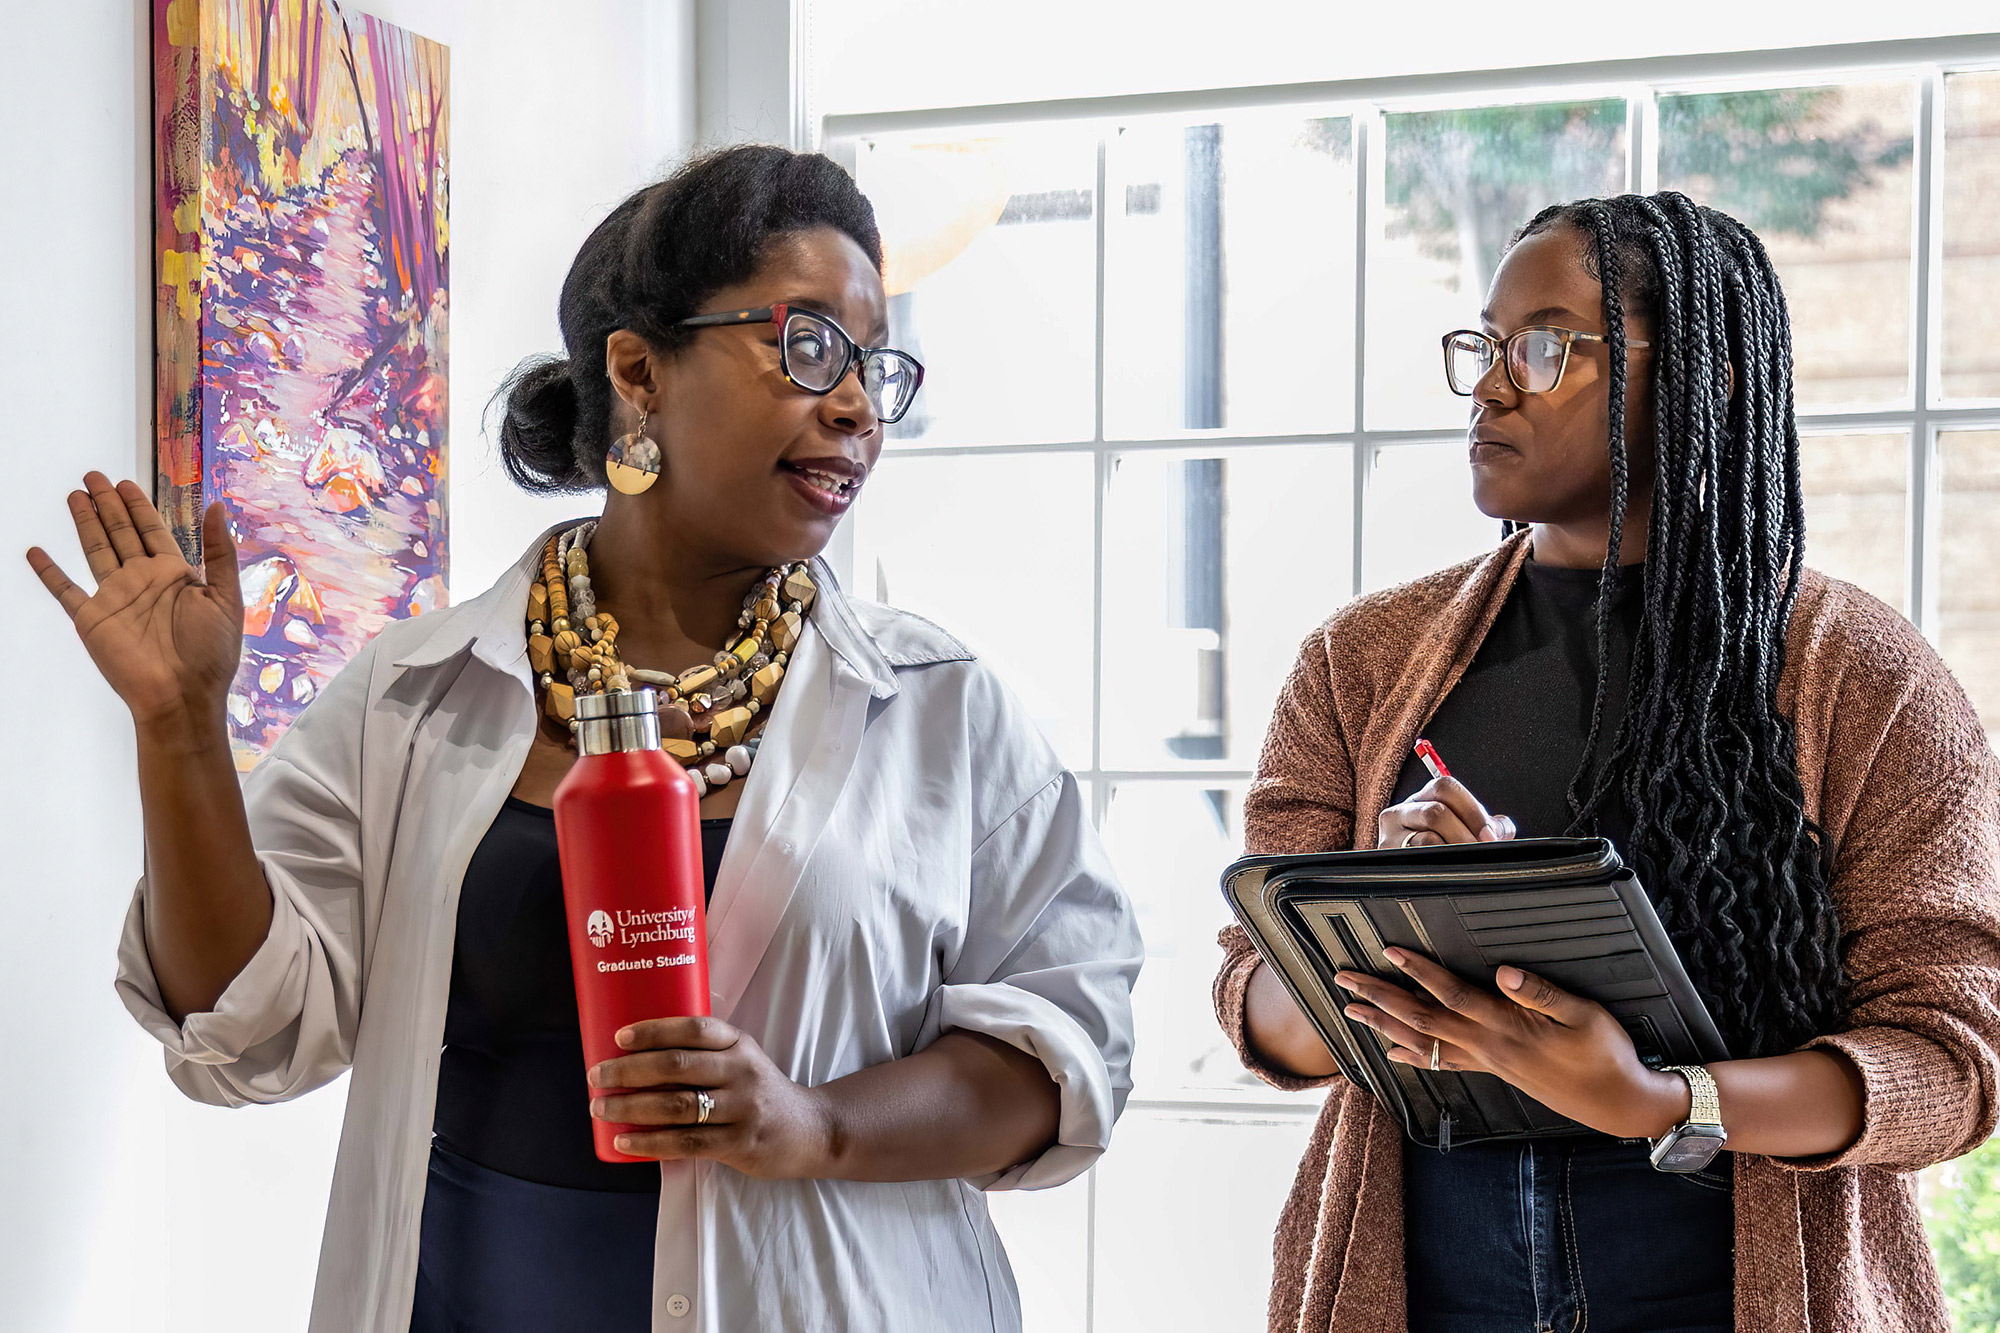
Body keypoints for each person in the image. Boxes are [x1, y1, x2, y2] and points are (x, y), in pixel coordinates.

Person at [29, 144, 1142, 1333]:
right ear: (636, 371)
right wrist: (180, 729)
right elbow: (246, 1030)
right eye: (808, 344)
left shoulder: (942, 711)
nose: (859, 403)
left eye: (876, 363)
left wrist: (811, 1125)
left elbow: (1065, 1047)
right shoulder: (411, 694)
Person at [1212, 192, 2000, 1333]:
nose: (1489, 384)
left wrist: (1657, 1099)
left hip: (1724, 1278)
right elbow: (1255, 1004)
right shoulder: (1360, 661)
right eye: (1483, 345)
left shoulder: (1862, 678)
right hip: (1427, 1275)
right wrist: (1370, 918)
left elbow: (1951, 1059)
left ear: (1699, 382)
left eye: (1541, 348)